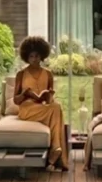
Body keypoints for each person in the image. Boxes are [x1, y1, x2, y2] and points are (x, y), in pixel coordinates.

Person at [14, 36, 70, 171]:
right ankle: (56, 152)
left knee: (56, 106)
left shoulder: (48, 74)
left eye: (37, 56)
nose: (34, 59)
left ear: (42, 56)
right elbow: (16, 100)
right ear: (26, 57)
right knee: (55, 111)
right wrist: (24, 93)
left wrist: (49, 95)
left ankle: (56, 149)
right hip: (27, 109)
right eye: (31, 56)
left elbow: (49, 100)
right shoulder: (21, 74)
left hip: (42, 107)